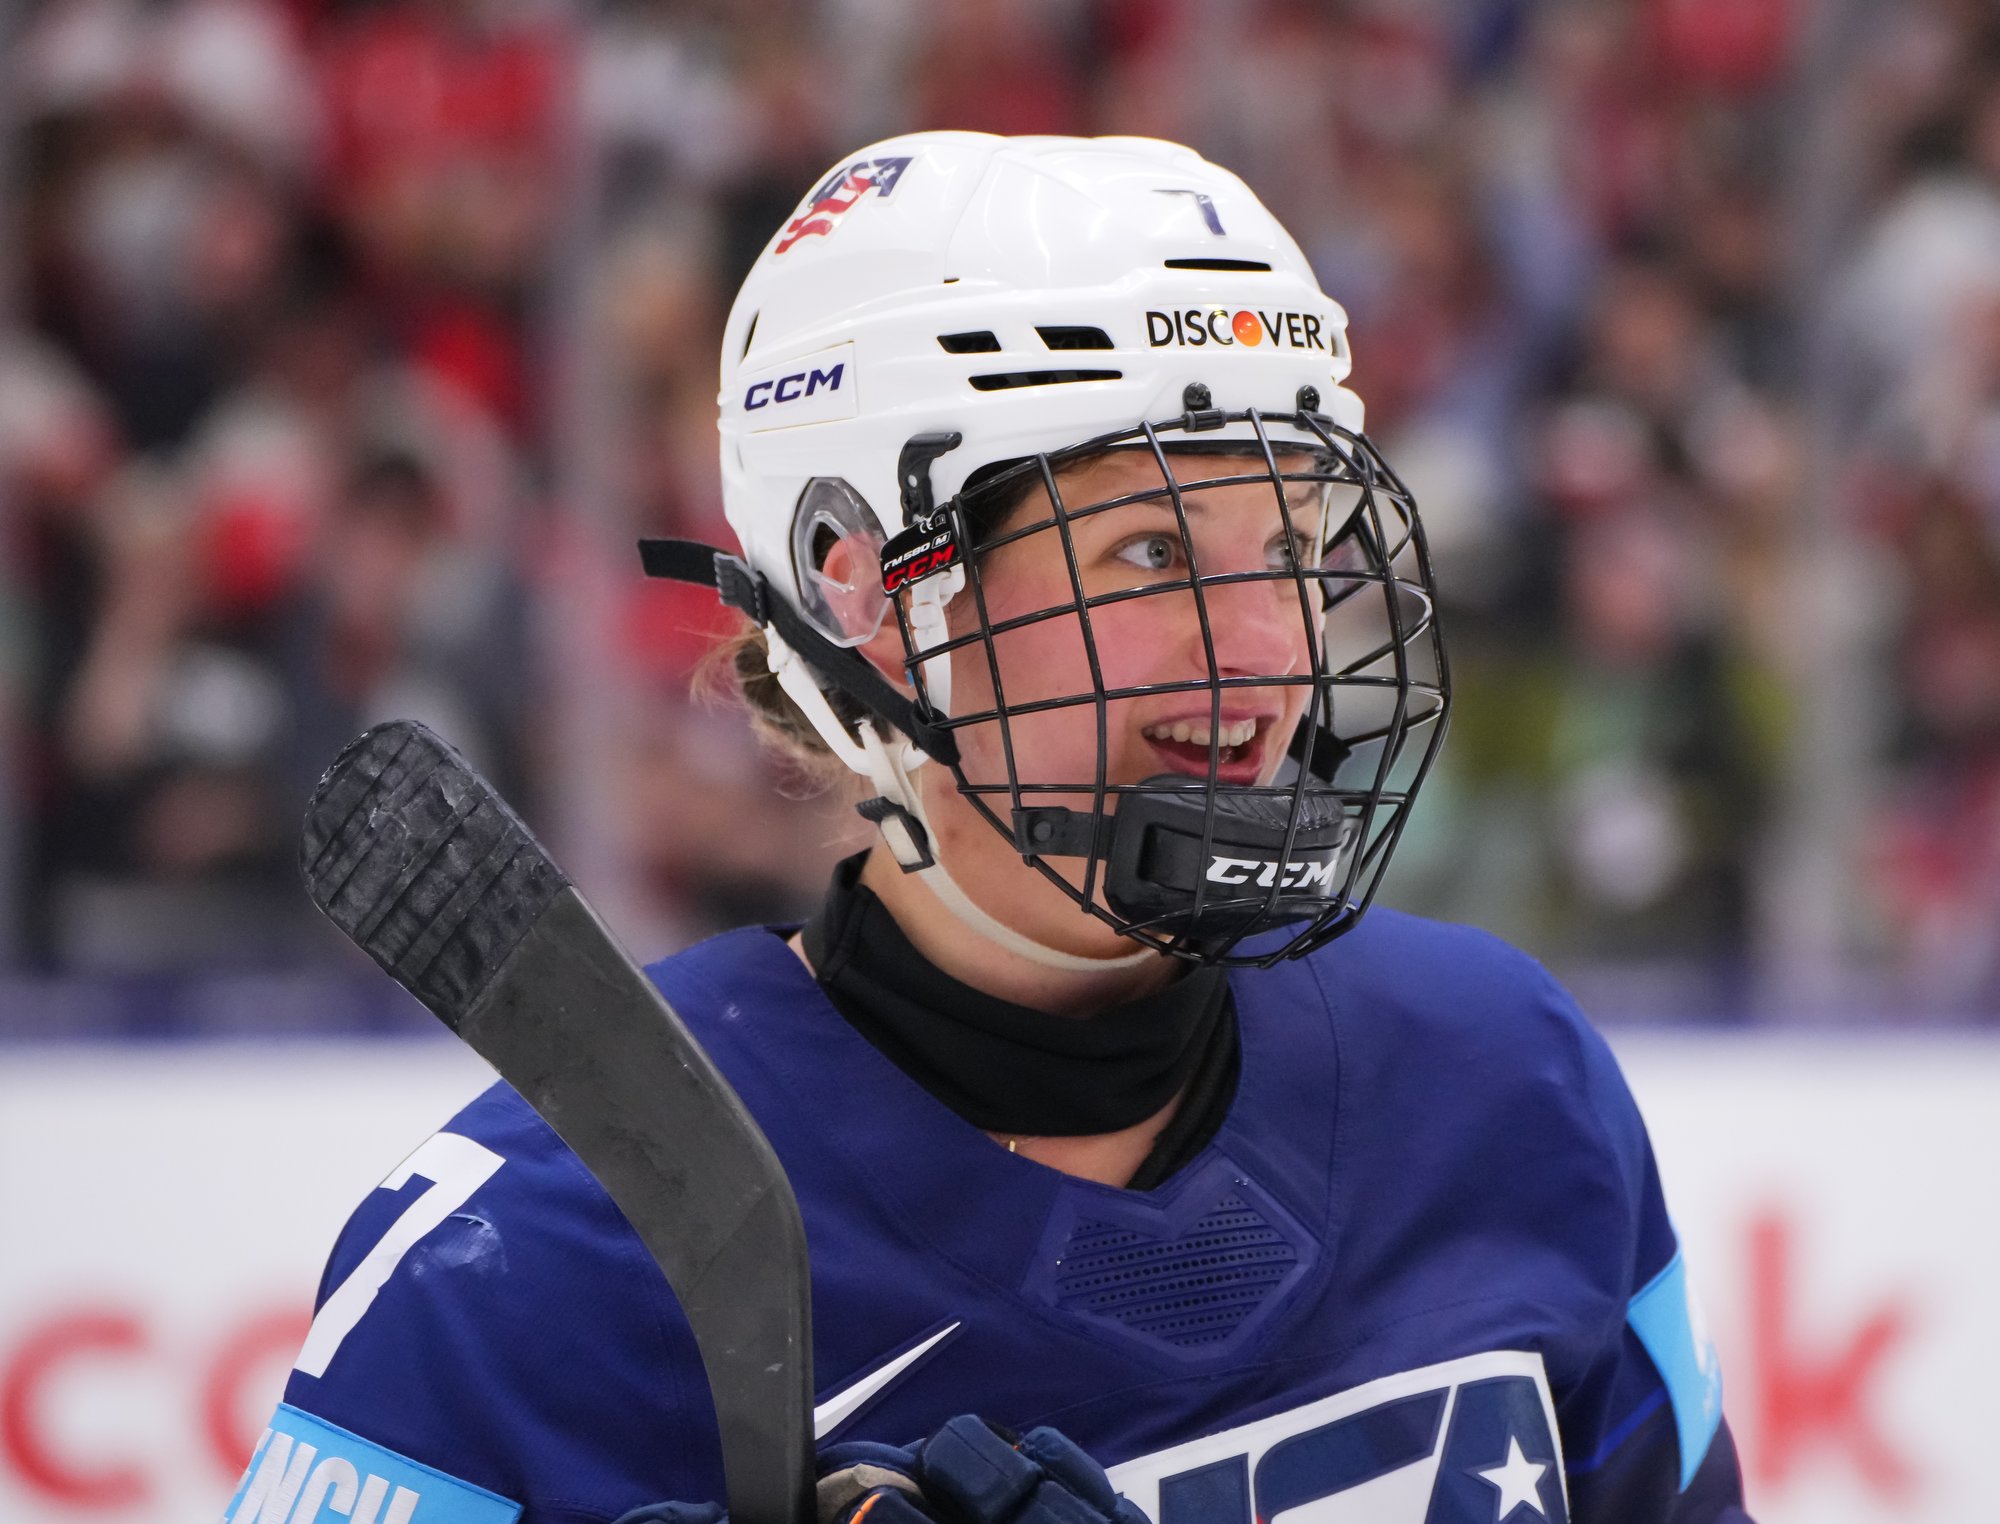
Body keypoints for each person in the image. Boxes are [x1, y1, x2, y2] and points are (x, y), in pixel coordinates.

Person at [228, 134, 1753, 1524]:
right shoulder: (526, 1265)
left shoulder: (1503, 1085)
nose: (1265, 652)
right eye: (1151, 552)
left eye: (1292, 544)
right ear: (867, 593)